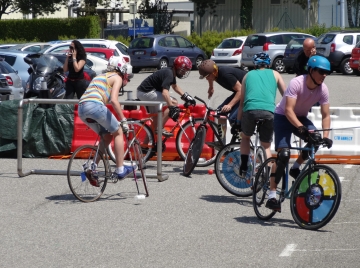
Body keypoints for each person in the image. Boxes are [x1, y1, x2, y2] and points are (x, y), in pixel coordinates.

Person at [266, 55, 333, 211]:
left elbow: (326, 115)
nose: (324, 75)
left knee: (315, 139)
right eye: (321, 72)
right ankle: (272, 196)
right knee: (283, 155)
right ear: (311, 70)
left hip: (301, 117)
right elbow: (288, 110)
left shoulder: (323, 89)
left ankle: (295, 168)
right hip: (283, 117)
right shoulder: (297, 83)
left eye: (326, 73)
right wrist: (300, 127)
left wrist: (325, 137)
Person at [78, 56, 134, 187]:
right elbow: (114, 100)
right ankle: (120, 169)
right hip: (95, 106)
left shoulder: (100, 76)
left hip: (82, 109)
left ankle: (93, 167)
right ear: (122, 69)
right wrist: (123, 120)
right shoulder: (117, 77)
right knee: (118, 132)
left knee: (107, 136)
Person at [233, 53, 286, 177]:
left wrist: (238, 122)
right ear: (268, 64)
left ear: (255, 65)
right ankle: (267, 175)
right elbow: (286, 95)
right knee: (266, 145)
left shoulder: (247, 75)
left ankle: (244, 166)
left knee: (245, 137)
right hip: (269, 111)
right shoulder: (275, 74)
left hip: (250, 110)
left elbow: (242, 103)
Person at [136, 56, 196, 137]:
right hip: (146, 92)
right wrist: (171, 107)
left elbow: (175, 86)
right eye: (184, 70)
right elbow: (165, 93)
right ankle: (160, 128)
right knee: (174, 102)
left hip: (143, 92)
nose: (184, 73)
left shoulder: (170, 72)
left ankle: (146, 146)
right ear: (178, 68)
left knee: (156, 121)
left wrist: (186, 96)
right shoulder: (169, 74)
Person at [197, 59, 247, 150]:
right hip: (240, 92)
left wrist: (230, 105)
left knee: (233, 118)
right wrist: (211, 87)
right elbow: (210, 78)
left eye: (207, 76)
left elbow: (240, 90)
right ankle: (222, 142)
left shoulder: (225, 75)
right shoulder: (214, 74)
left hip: (247, 92)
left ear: (214, 72)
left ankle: (242, 143)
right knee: (220, 113)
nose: (207, 78)